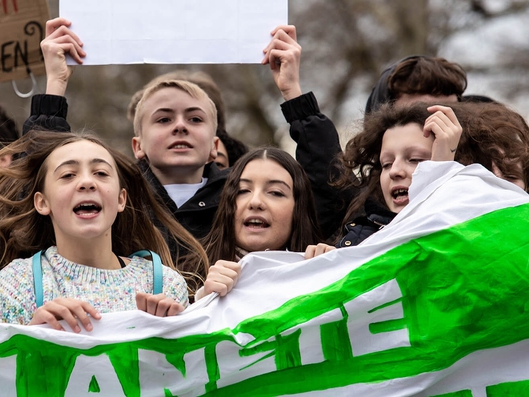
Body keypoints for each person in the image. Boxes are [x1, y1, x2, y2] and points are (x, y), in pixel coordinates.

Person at [25, 19, 229, 257]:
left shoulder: (240, 195)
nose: (180, 126)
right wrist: (56, 83)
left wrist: (286, 91)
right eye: (163, 119)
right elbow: (38, 185)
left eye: (195, 119)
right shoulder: (114, 197)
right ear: (137, 145)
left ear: (215, 145)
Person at [0, 130, 208, 331]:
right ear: (42, 202)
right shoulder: (15, 285)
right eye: (68, 175)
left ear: (120, 200)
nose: (87, 182)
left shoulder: (164, 284)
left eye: (101, 173)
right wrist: (32, 338)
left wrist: (169, 341)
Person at [264, 26, 469, 239]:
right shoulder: (360, 214)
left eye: (449, 116)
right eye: (388, 163)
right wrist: (293, 92)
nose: (438, 128)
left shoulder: (489, 193)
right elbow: (327, 173)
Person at [193, 147, 331, 300]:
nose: (255, 202)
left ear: (298, 209)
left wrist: (335, 279)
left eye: (275, 192)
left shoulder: (325, 267)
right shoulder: (186, 276)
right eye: (243, 191)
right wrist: (202, 300)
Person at [334, 103, 462, 247]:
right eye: (386, 164)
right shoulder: (358, 243)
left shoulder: (478, 226)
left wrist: (442, 172)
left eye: (415, 159)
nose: (395, 171)